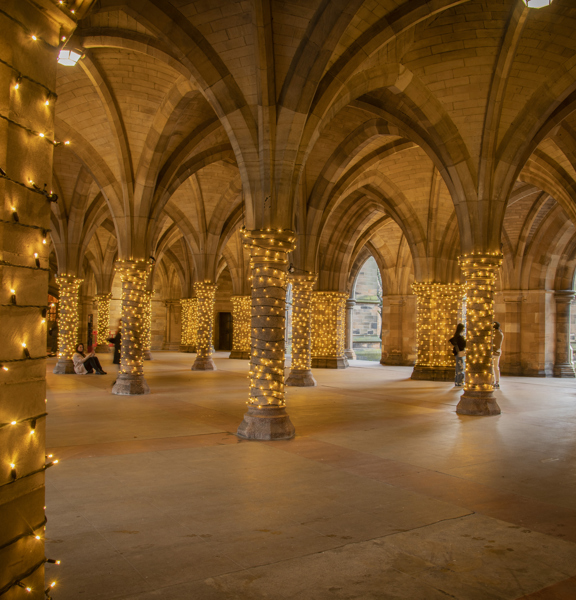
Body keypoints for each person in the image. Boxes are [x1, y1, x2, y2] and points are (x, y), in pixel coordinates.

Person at [492, 321, 504, 389]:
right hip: (498, 352)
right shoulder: (500, 333)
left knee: (492, 367)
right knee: (496, 367)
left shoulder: (494, 334)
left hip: (493, 352)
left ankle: (493, 381)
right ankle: (497, 381)